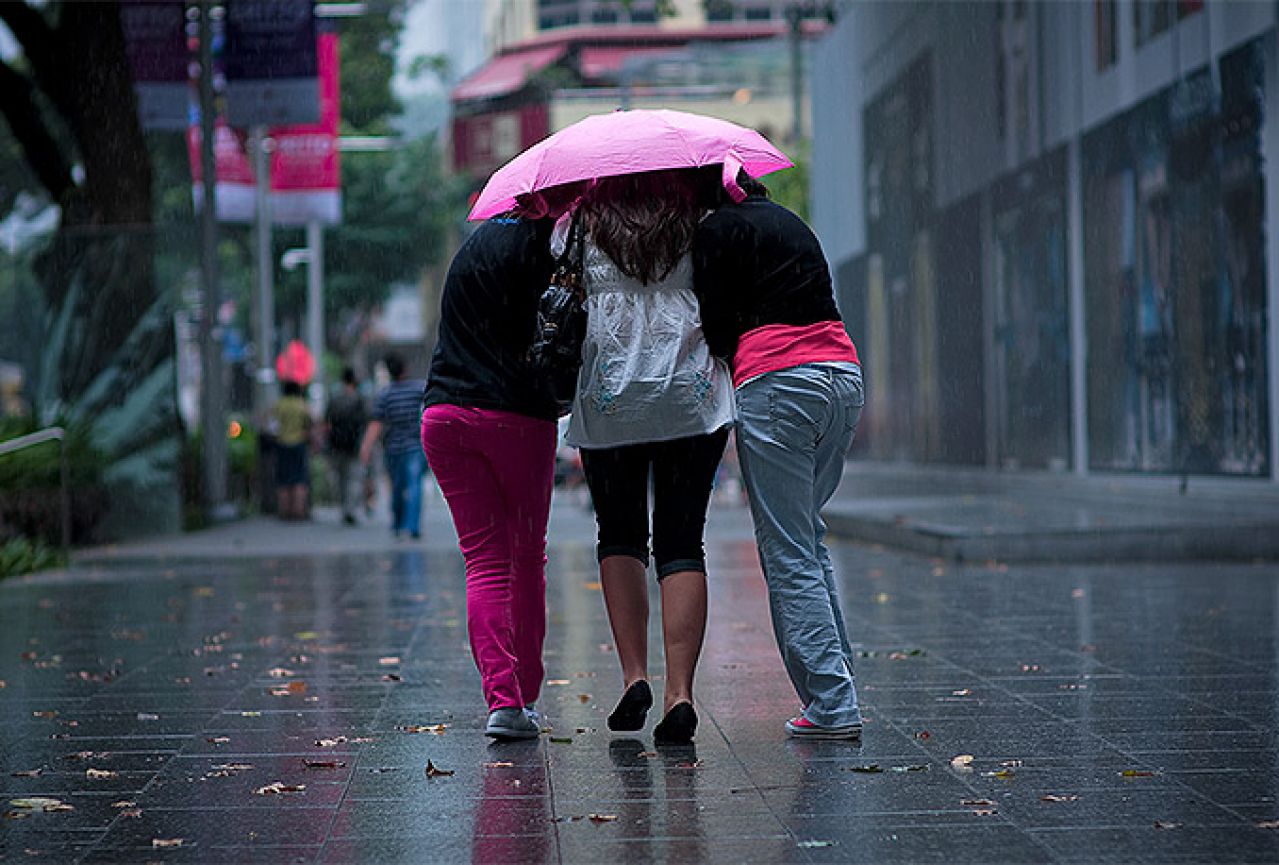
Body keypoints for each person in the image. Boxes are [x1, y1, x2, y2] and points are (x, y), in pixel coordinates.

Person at [692, 172, 866, 740]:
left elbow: (715, 324)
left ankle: (833, 702)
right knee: (808, 540)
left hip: (779, 384)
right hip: (842, 377)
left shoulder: (717, 229)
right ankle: (837, 686)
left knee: (788, 549)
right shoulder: (791, 221)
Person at [565, 168, 735, 745]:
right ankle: (680, 692)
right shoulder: (698, 222)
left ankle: (635, 675)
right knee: (683, 539)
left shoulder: (578, 224)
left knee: (618, 535)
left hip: (611, 400)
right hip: (688, 396)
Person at [420, 204, 565, 741]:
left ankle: (501, 699)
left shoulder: (471, 249)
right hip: (516, 418)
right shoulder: (545, 252)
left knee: (484, 562)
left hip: (444, 417)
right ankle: (521, 696)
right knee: (526, 555)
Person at [359, 353, 426, 539]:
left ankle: (397, 524)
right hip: (415, 445)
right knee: (414, 485)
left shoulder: (385, 394)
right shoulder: (418, 388)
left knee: (397, 486)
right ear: (405, 369)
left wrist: (366, 446)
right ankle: (412, 526)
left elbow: (376, 423)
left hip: (393, 448)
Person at [325, 367, 367, 525]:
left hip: (336, 444)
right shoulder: (359, 399)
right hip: (354, 444)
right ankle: (350, 509)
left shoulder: (334, 399)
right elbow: (364, 423)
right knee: (354, 478)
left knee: (341, 478)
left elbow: (327, 422)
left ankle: (345, 508)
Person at [271, 379, 313, 520]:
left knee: (283, 479)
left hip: (281, 444)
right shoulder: (301, 405)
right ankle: (298, 511)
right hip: (299, 443)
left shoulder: (279, 405)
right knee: (299, 478)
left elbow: (270, 423)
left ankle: (284, 511)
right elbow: (310, 422)